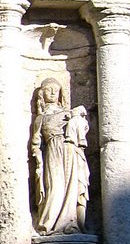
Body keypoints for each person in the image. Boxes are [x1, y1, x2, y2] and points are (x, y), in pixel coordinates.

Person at [30, 77, 89, 235]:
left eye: (56, 89)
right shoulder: (41, 118)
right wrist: (38, 161)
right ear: (42, 94)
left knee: (72, 187)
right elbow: (36, 143)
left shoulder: (69, 114)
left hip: (70, 150)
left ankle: (70, 224)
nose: (53, 92)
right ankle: (50, 225)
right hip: (53, 152)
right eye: (49, 89)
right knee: (55, 187)